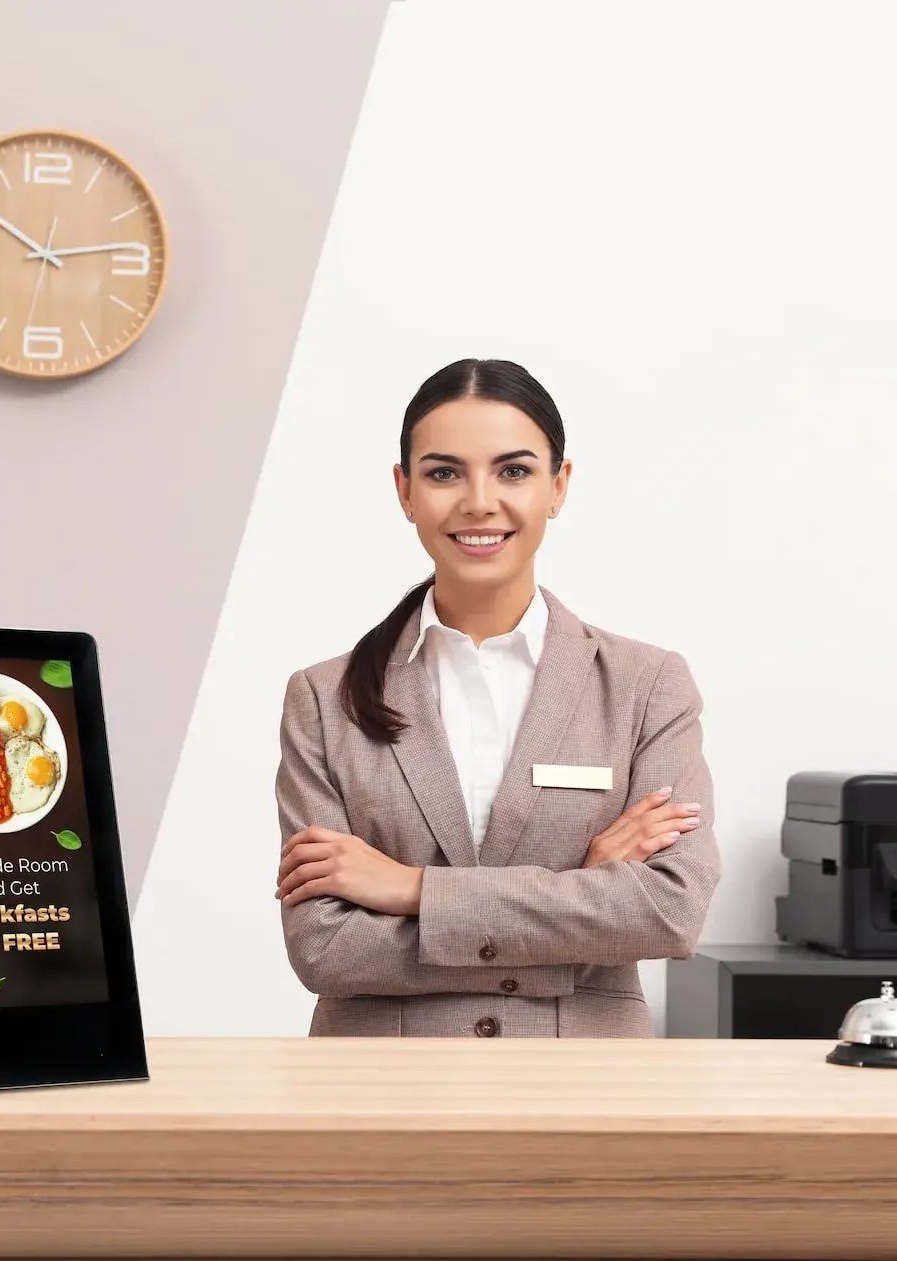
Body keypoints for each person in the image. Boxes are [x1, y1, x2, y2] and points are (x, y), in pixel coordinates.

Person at [273, 357, 719, 1037]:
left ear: (558, 486)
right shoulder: (323, 698)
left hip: (589, 1095)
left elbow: (667, 912)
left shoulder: (646, 686)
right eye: (444, 472)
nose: (479, 501)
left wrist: (409, 889)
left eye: (513, 471)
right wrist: (582, 894)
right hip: (378, 1095)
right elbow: (326, 949)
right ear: (405, 491)